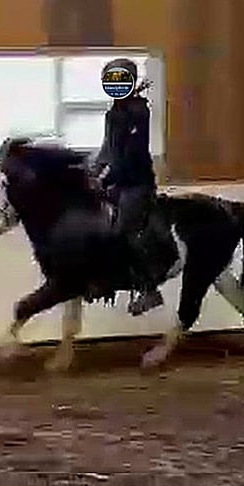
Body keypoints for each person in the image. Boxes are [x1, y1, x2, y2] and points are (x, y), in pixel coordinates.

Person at [91, 58, 166, 316]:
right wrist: (92, 171)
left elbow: (130, 156)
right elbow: (108, 149)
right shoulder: (113, 113)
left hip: (136, 184)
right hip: (117, 182)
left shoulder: (138, 111)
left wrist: (105, 178)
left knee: (123, 231)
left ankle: (149, 289)